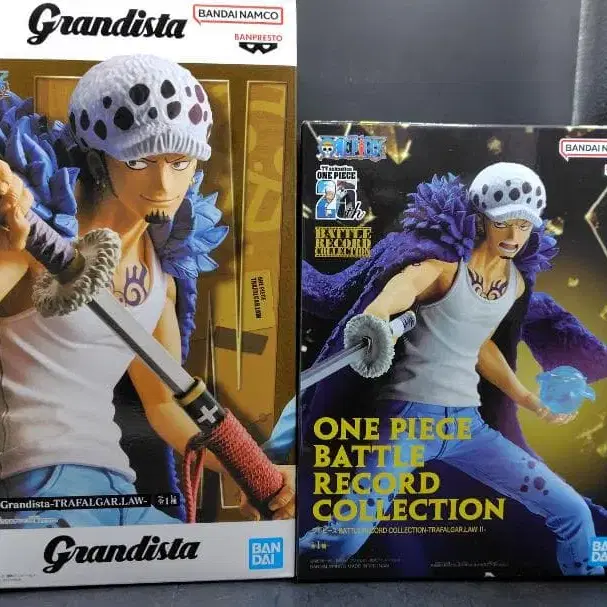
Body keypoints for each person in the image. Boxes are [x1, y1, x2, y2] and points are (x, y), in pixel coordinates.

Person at [0, 54, 294, 527]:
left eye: (179, 162)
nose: (162, 183)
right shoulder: (36, 232)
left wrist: (258, 474)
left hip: (117, 487)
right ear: (98, 159)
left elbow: (163, 403)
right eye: (138, 160)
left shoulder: (161, 271)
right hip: (36, 489)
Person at [287, 162, 607, 575]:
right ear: (481, 220)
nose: (513, 236)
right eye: (503, 223)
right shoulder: (441, 268)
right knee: (342, 539)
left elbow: (480, 346)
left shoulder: (514, 284)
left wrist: (527, 398)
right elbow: (394, 295)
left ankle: (583, 579)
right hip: (408, 423)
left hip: (467, 429)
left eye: (524, 225)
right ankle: (284, 564)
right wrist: (376, 322)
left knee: (573, 513)